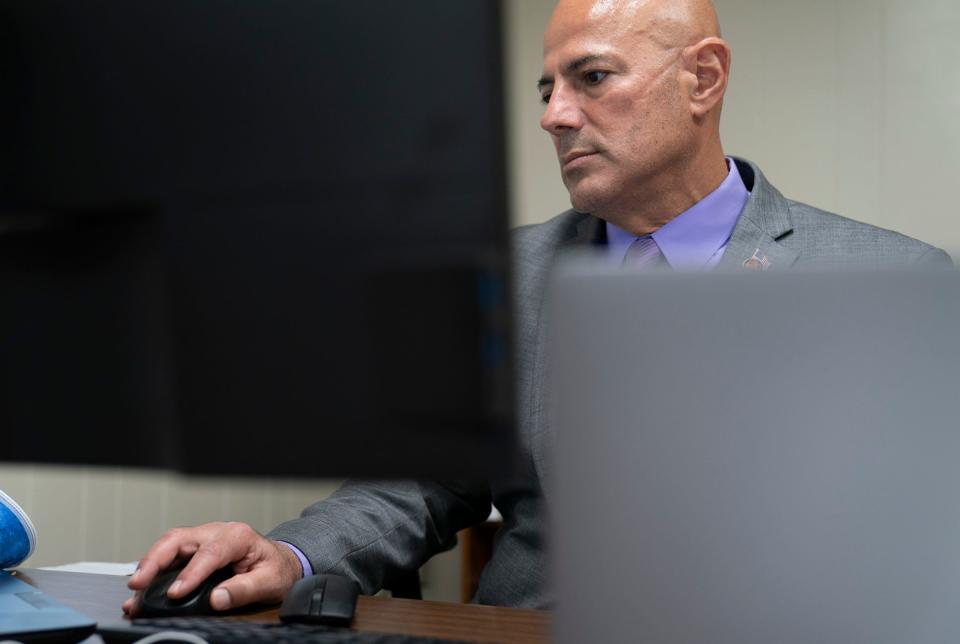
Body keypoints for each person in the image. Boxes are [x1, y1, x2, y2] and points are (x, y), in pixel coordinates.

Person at [123, 0, 951, 615]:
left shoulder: (899, 278)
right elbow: (414, 483)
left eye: (591, 78)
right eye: (548, 87)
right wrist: (293, 553)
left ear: (703, 78)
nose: (555, 115)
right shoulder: (504, 274)